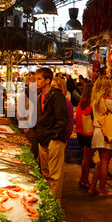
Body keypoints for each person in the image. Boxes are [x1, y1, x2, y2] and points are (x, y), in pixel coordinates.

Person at [34, 68, 68, 202]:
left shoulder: (57, 96)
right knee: (45, 173)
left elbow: (62, 119)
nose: (36, 82)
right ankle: (49, 201)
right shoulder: (40, 96)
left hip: (54, 140)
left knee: (55, 175)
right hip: (43, 139)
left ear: (47, 80)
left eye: (39, 79)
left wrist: (54, 136)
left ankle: (55, 204)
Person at [88, 76, 112, 197]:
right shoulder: (107, 101)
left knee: (100, 162)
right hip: (106, 133)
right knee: (104, 163)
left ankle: (92, 188)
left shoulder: (95, 100)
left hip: (97, 132)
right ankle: (102, 190)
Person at [75, 83, 95, 190]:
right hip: (88, 134)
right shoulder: (92, 105)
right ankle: (85, 180)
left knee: (85, 157)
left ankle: (82, 178)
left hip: (80, 133)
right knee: (88, 158)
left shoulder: (81, 104)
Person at [17, 73, 39, 161]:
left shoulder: (39, 93)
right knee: (33, 151)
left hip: (39, 128)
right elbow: (19, 114)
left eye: (34, 82)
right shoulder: (24, 95)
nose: (33, 85)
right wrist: (25, 129)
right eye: (30, 83)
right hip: (30, 128)